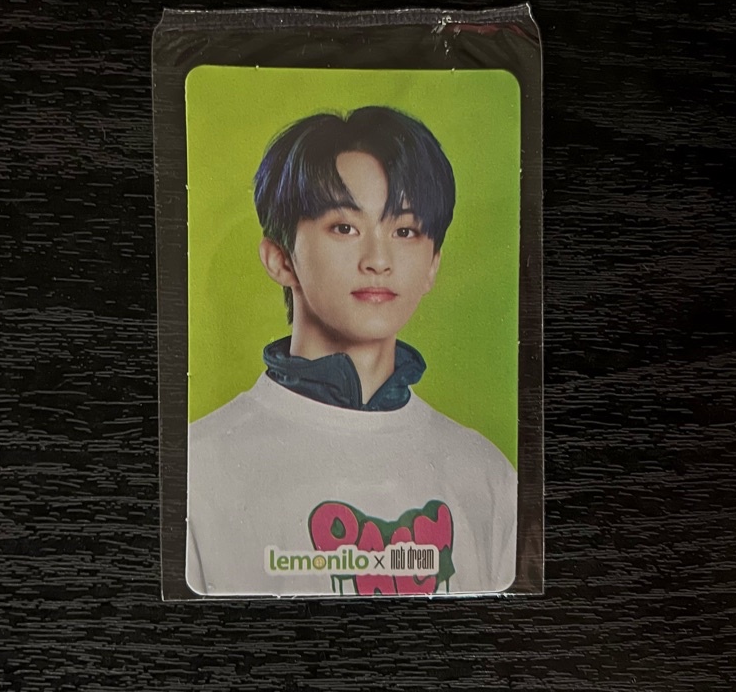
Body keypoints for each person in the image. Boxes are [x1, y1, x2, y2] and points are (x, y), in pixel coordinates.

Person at [186, 106, 516, 596]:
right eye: (345, 228)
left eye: (405, 231)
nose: (378, 260)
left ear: (432, 265)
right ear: (280, 259)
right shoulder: (199, 468)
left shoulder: (486, 475)